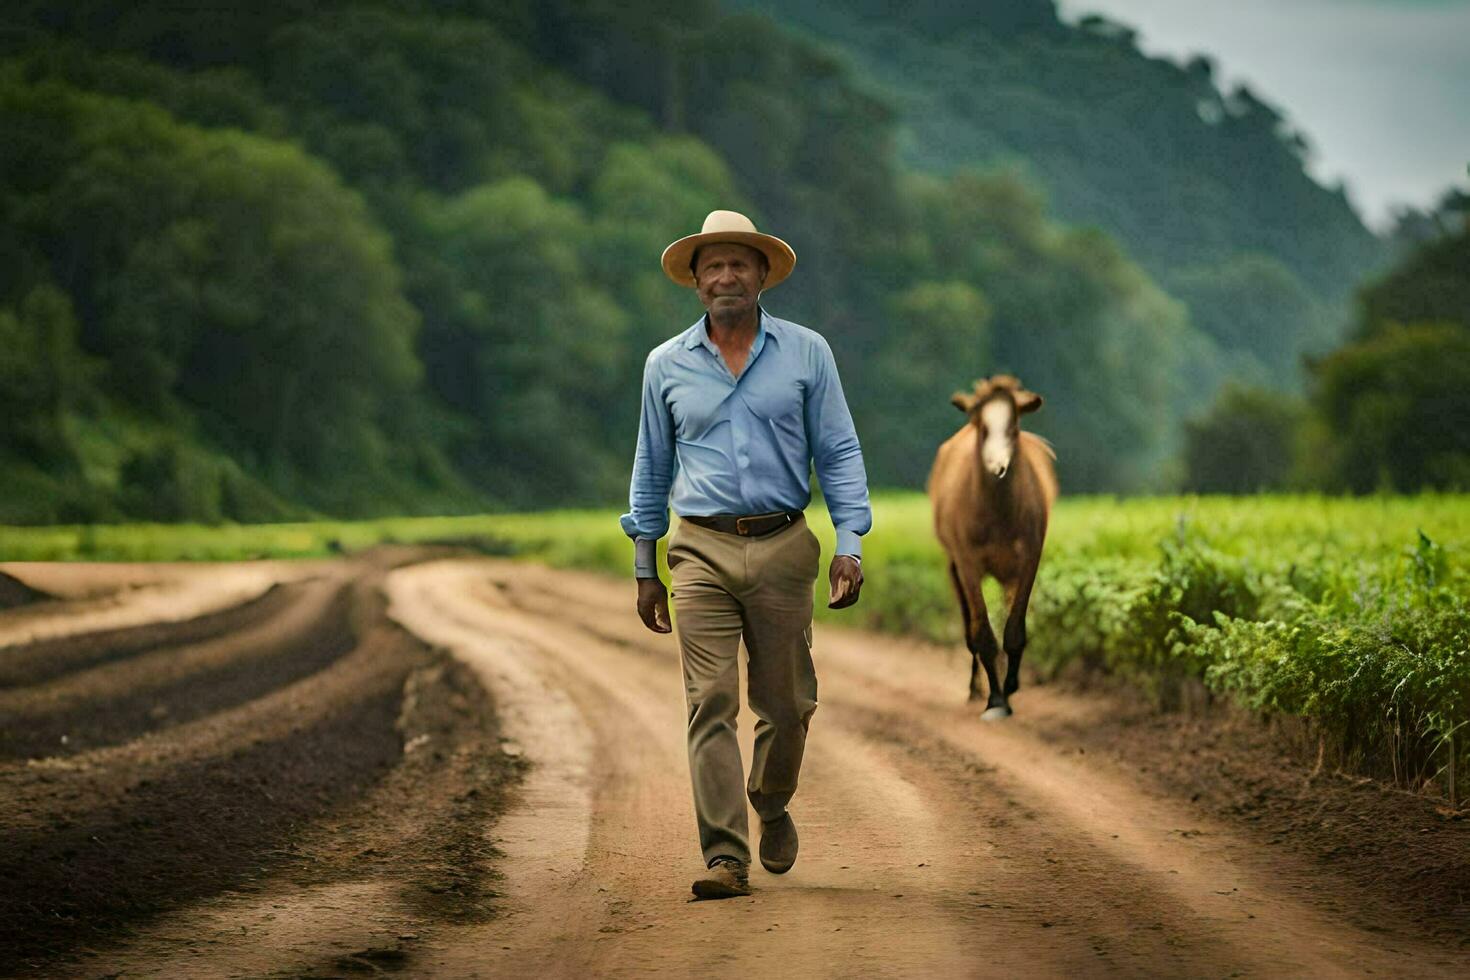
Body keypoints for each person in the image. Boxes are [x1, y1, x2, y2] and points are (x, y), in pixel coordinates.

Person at [620, 209, 872, 900]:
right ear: (696, 282)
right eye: (713, 267)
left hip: (785, 542)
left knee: (788, 704)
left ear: (763, 276)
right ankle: (725, 857)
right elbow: (651, 466)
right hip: (697, 548)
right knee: (711, 701)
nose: (726, 276)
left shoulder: (807, 353)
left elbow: (840, 450)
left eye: (739, 264)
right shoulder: (664, 365)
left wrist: (850, 542)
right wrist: (646, 565)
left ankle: (770, 799)